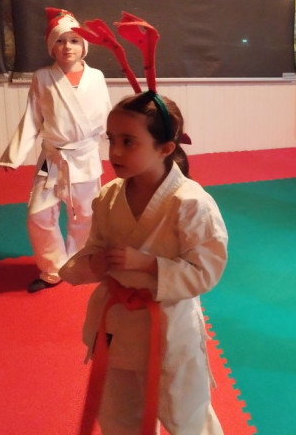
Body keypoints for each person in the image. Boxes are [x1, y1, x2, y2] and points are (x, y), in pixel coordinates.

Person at [60, 91, 228, 434]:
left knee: (186, 414)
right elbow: (93, 250)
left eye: (128, 142)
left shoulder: (191, 204)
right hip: (116, 323)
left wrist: (148, 264)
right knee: (117, 412)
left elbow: (206, 272)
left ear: (165, 148)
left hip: (168, 327)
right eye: (111, 140)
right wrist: (95, 265)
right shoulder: (108, 196)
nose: (115, 152)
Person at [0, 7, 112, 293]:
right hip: (53, 157)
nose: (67, 46)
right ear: (51, 47)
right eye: (59, 41)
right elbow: (32, 118)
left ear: (84, 45)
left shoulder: (97, 77)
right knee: (38, 214)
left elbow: (107, 117)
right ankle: (52, 269)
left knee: (85, 216)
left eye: (74, 40)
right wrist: (14, 155)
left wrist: (122, 147)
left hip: (85, 157)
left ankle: (77, 263)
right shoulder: (42, 77)